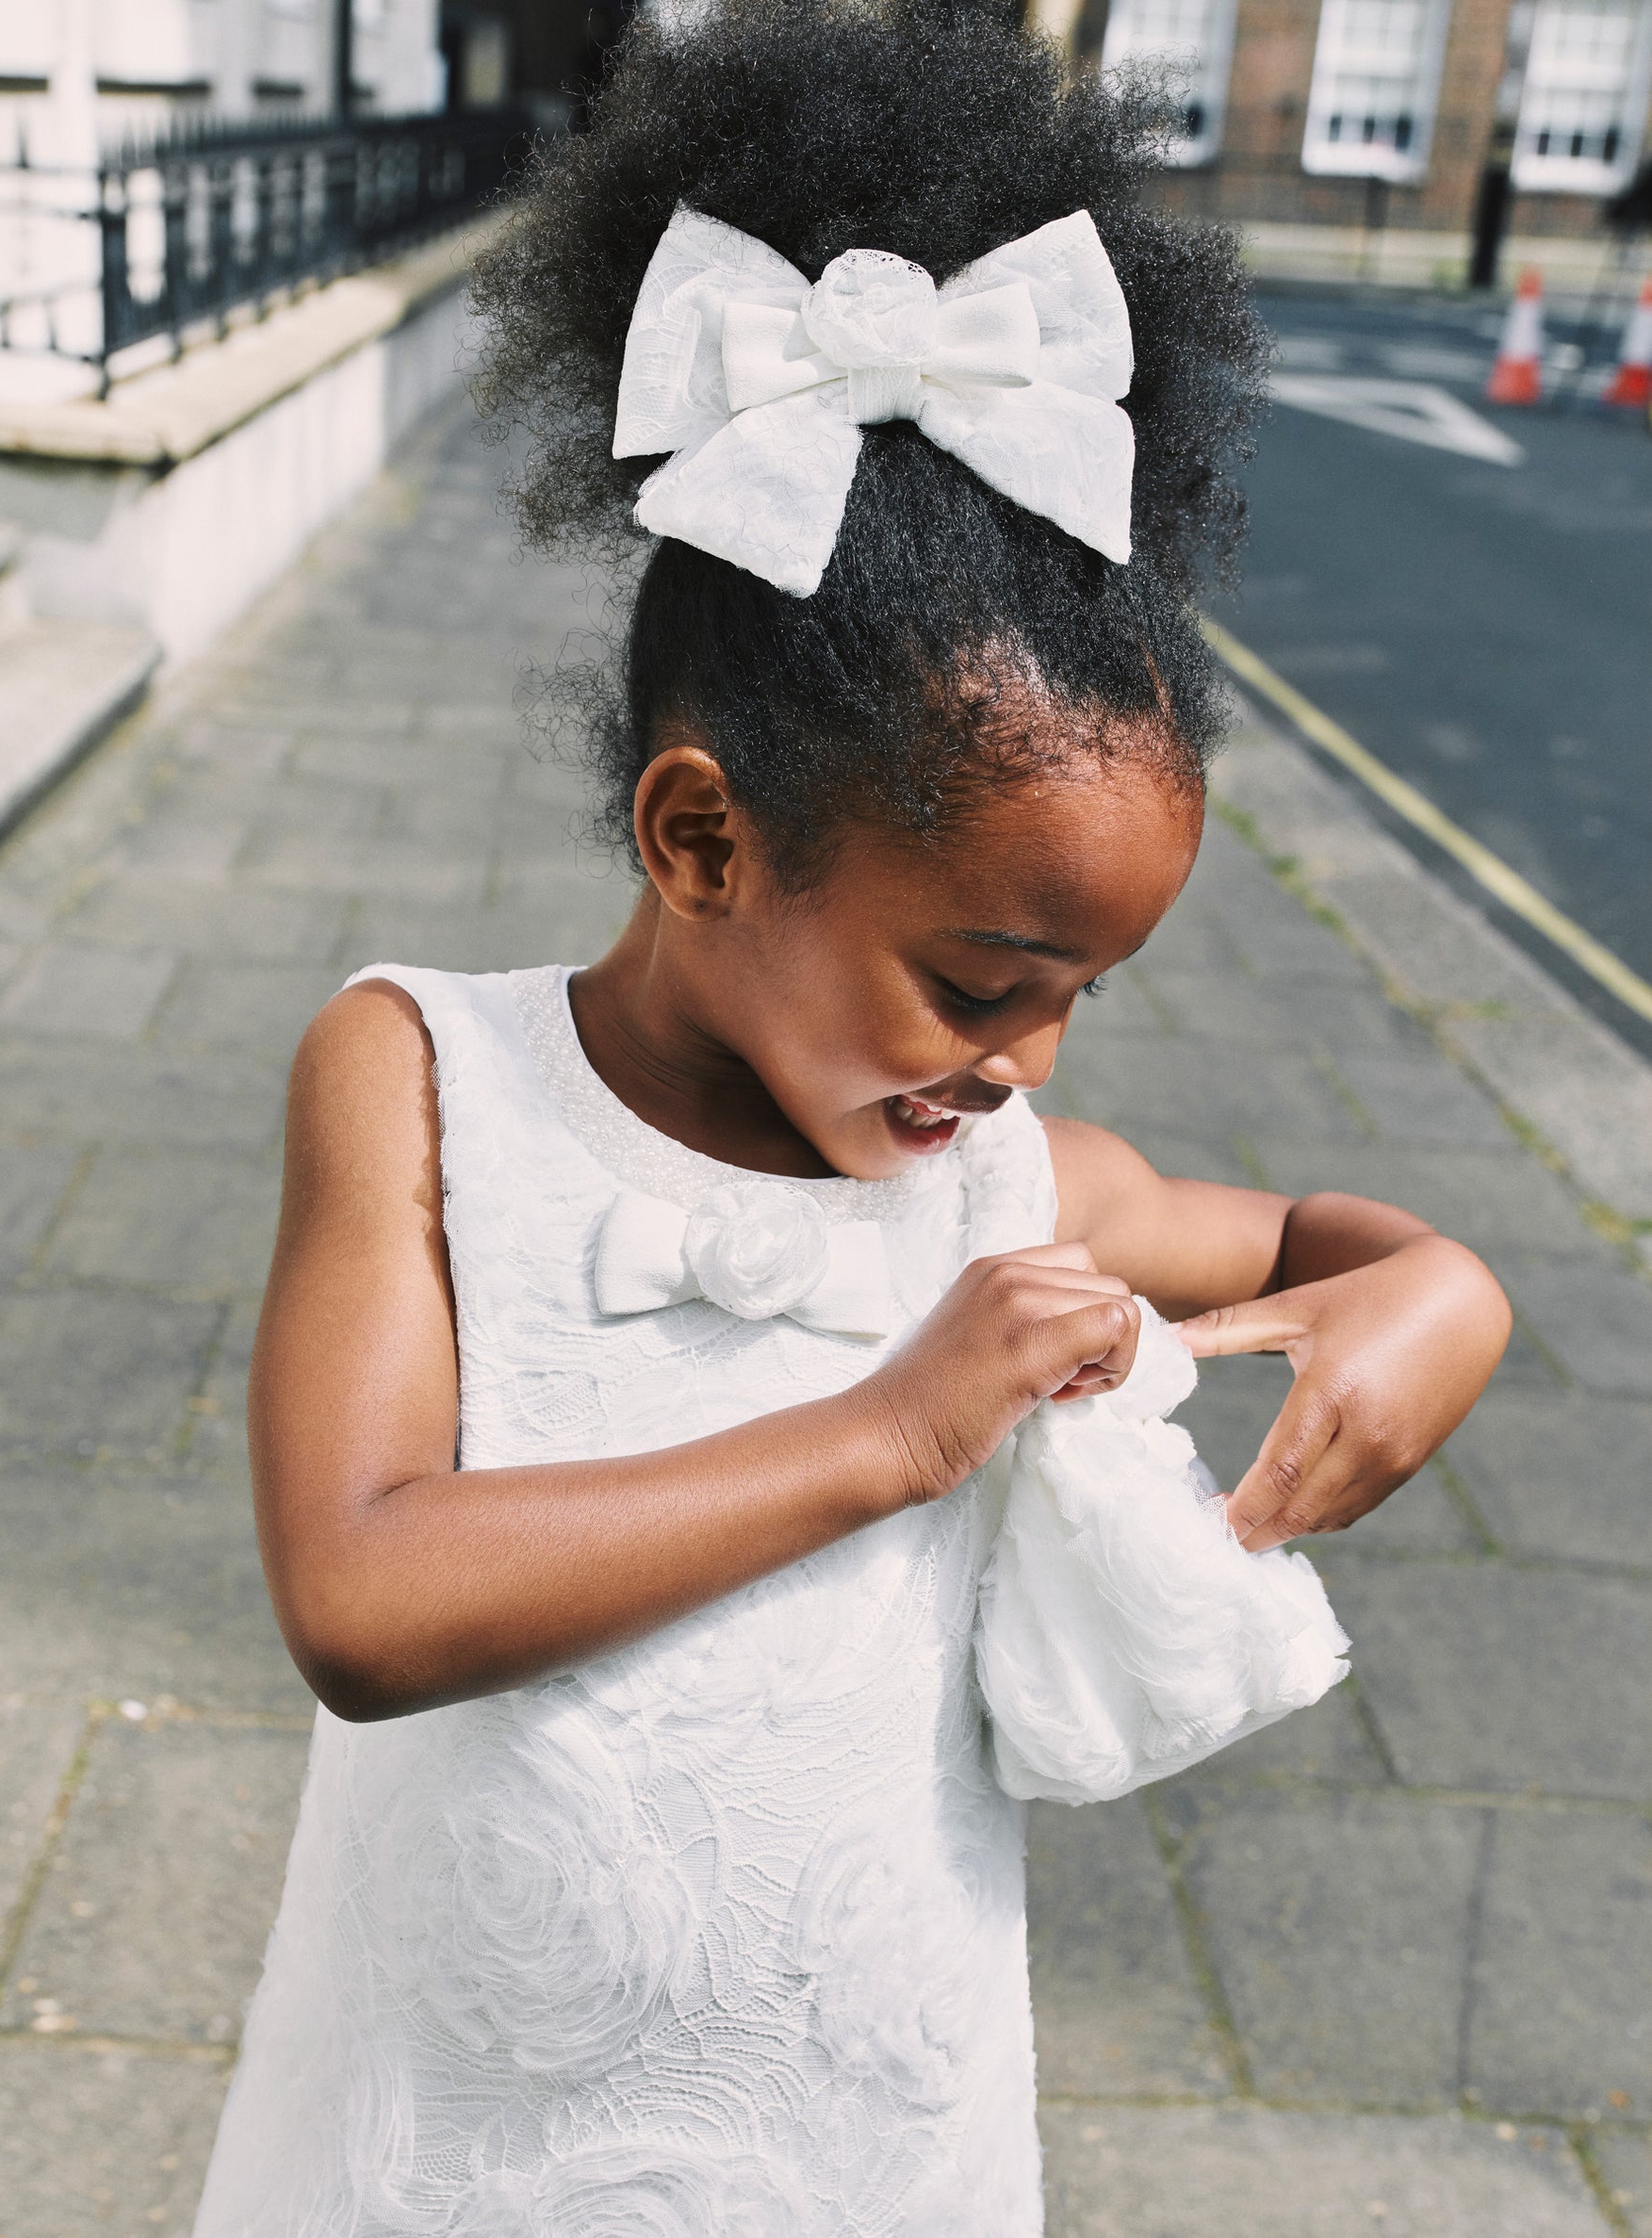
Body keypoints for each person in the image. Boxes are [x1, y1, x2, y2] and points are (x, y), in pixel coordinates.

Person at [192, 4, 1512, 2230]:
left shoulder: (1003, 1185)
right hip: (453, 2137)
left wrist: (1440, 1288)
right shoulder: (420, 1082)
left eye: (1078, 1001)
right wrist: (892, 1431)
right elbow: (360, 1590)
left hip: (864, 2137)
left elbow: (1310, 1244)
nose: (1025, 1064)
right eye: (982, 986)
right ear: (700, 839)